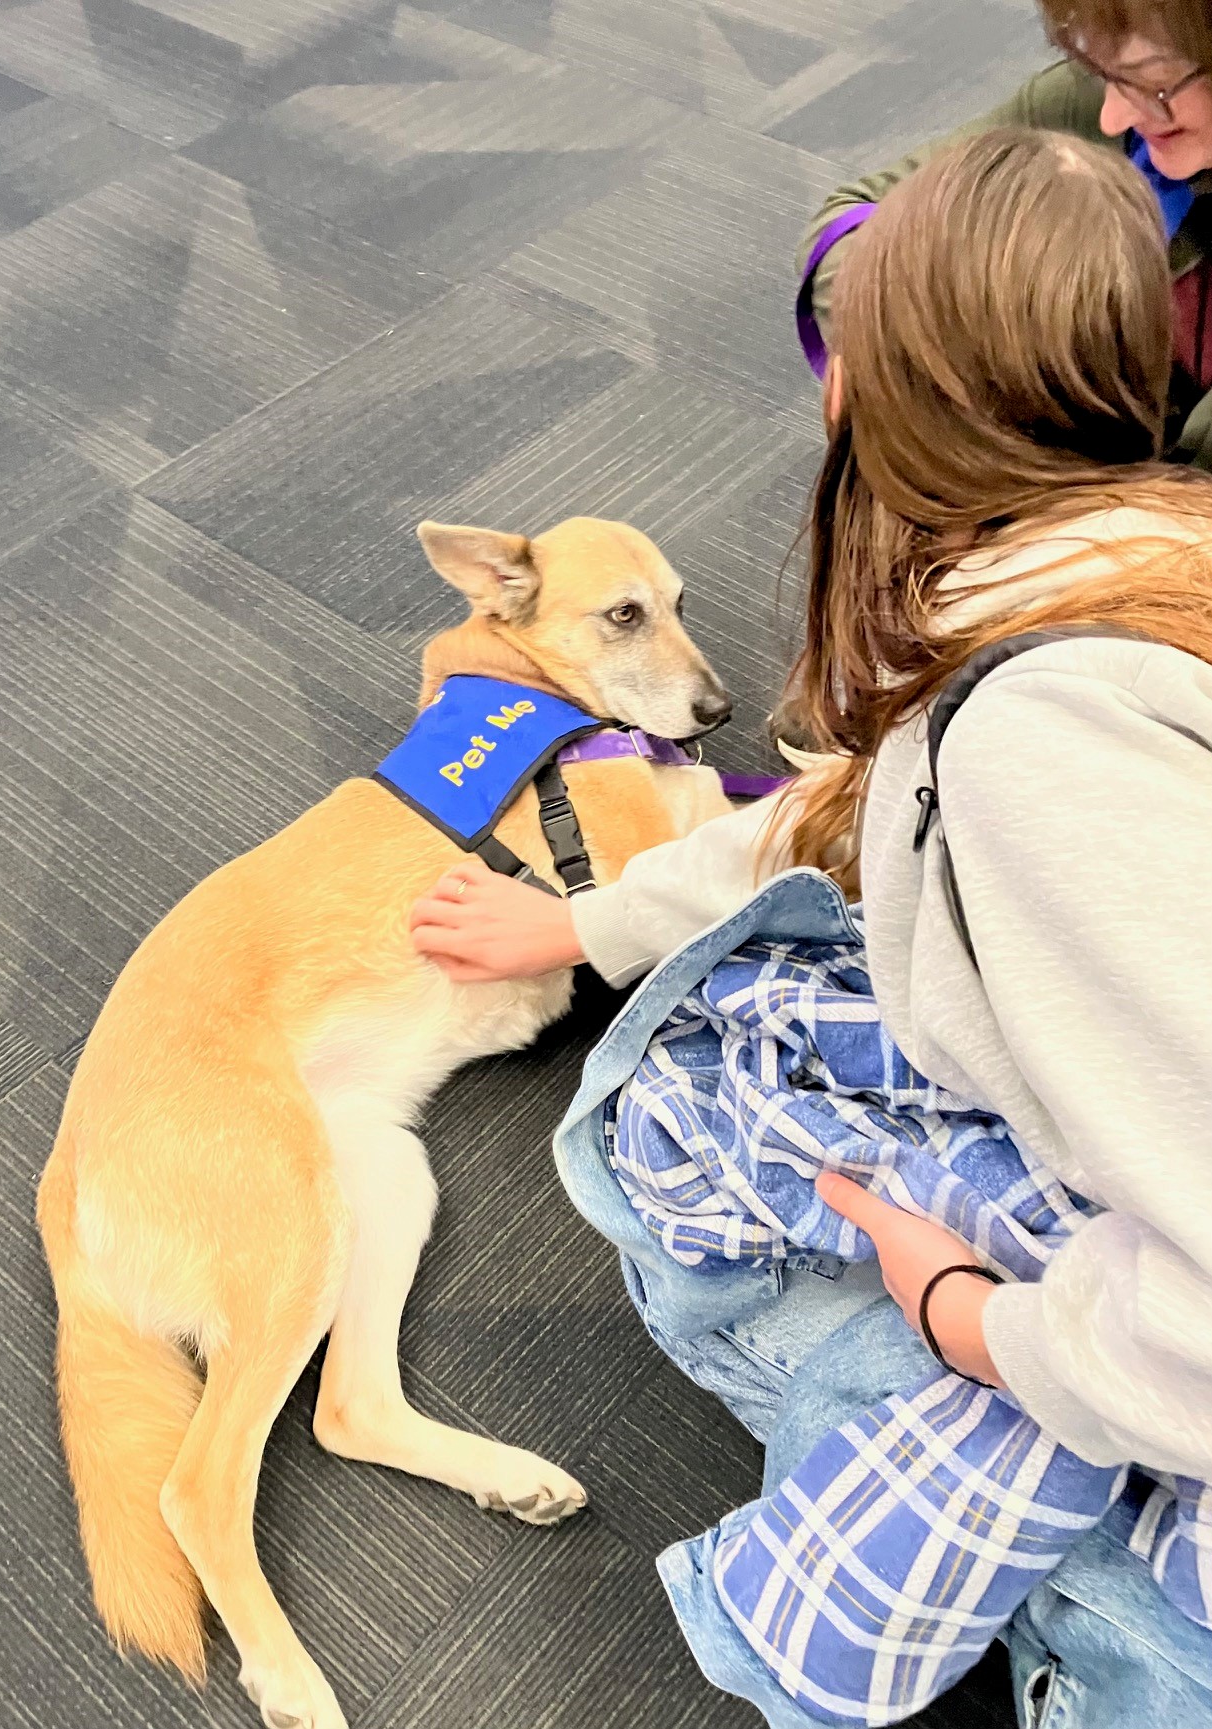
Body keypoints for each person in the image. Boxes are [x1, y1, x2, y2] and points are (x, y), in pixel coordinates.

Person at [410, 126, 1212, 1727]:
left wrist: (957, 1312)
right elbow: (843, 803)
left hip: (1166, 1311)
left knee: (677, 1145)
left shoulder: (1044, 750)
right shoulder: (1129, 554)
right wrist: (582, 927)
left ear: (861, 400)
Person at [800, 0, 1212, 467]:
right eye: (1105, 72)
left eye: (1153, 84)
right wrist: (879, 334)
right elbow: (854, 218)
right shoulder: (1094, 102)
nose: (1112, 117)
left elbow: (1188, 498)